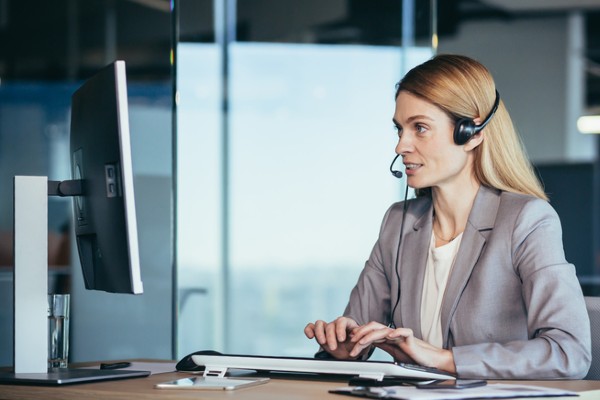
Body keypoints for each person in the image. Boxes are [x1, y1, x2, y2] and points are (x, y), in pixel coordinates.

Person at [304, 54, 591, 379]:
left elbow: (570, 353)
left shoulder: (526, 221)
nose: (401, 145)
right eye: (399, 129)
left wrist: (443, 359)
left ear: (472, 133)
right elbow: (355, 330)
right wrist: (343, 347)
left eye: (420, 128)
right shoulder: (398, 223)